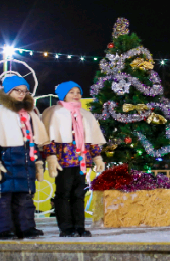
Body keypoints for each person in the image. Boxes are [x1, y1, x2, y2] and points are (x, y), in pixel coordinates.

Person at [0, 76, 49, 240]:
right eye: (18, 90)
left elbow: (34, 139)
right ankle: (4, 229)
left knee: (25, 197)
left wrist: (37, 161)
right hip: (6, 158)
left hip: (25, 158)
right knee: (3, 197)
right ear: (8, 91)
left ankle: (26, 228)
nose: (22, 94)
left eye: (25, 91)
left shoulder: (29, 113)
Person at [42, 81, 107, 237]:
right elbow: (47, 137)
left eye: (78, 92)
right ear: (64, 94)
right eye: (72, 92)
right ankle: (66, 227)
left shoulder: (85, 114)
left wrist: (97, 156)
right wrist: (51, 156)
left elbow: (91, 138)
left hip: (81, 161)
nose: (76, 95)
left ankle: (79, 226)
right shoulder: (54, 112)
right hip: (63, 160)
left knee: (78, 194)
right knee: (63, 193)